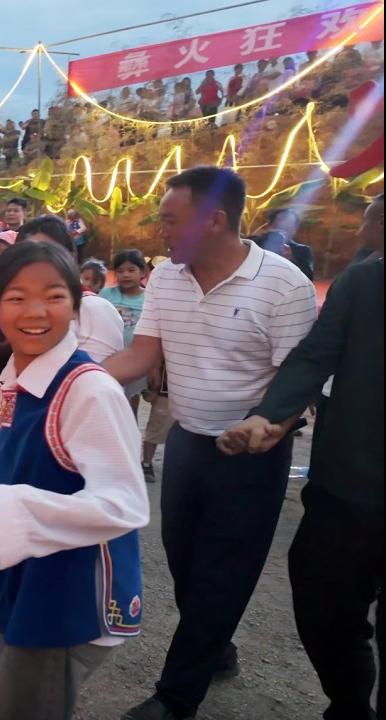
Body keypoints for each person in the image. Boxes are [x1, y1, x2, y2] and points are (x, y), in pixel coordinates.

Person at [108, 167, 317, 720]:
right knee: (183, 561)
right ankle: (215, 646)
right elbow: (141, 356)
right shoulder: (166, 279)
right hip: (187, 443)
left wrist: (266, 422)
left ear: (214, 219)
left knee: (222, 574)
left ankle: (176, 699)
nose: (160, 233)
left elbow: (298, 379)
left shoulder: (283, 284)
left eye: (170, 221)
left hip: (251, 456)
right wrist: (68, 379)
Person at [0, 240, 149, 718]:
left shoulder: (88, 389)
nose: (36, 311)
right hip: (39, 572)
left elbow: (124, 506)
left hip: (72, 592)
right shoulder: (16, 376)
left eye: (55, 295)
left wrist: (5, 505)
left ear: (78, 305)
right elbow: (33, 466)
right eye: (18, 297)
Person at [217, 196, 383, 720]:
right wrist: (271, 415)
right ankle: (351, 703)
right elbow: (315, 355)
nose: (363, 229)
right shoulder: (362, 283)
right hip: (346, 487)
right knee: (323, 604)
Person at [16, 216, 125, 362]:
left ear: (70, 257)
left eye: (47, 252)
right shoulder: (17, 305)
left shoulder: (93, 308)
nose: (35, 262)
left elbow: (100, 374)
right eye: (25, 255)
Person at [100, 249, 150, 412]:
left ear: (143, 272)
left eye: (131, 270)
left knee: (129, 405)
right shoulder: (107, 294)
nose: (125, 275)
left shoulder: (149, 298)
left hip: (135, 361)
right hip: (108, 359)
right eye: (120, 271)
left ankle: (130, 435)